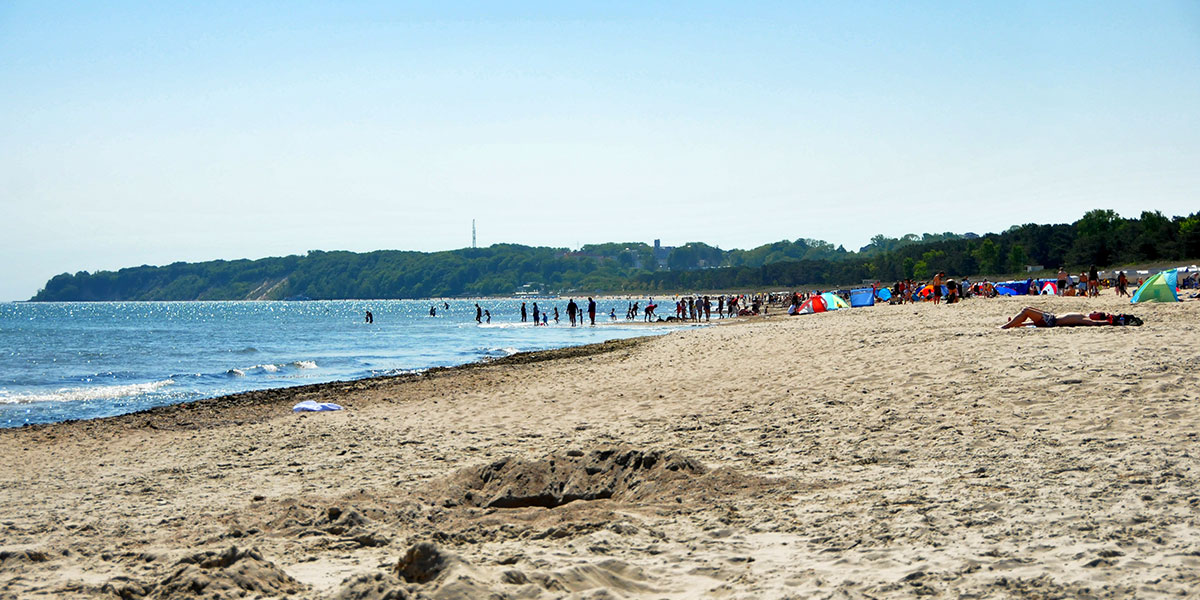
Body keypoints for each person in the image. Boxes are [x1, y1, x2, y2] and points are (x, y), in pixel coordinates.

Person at [999, 306, 1139, 329]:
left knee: (1026, 310)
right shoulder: (1084, 316)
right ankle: (1014, 324)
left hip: (1051, 321)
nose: (1094, 311)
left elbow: (1096, 324)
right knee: (1029, 312)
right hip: (1050, 318)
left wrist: (1112, 322)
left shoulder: (1087, 320)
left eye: (1097, 312)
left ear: (1097, 317)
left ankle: (1006, 326)